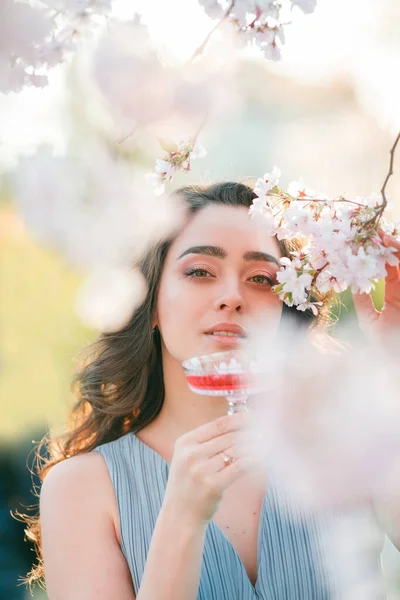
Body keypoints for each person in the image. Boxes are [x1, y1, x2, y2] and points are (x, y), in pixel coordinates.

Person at [23, 182, 400, 599]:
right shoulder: (83, 488)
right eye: (200, 271)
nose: (232, 297)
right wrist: (182, 519)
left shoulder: (343, 447)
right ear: (147, 305)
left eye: (261, 278)